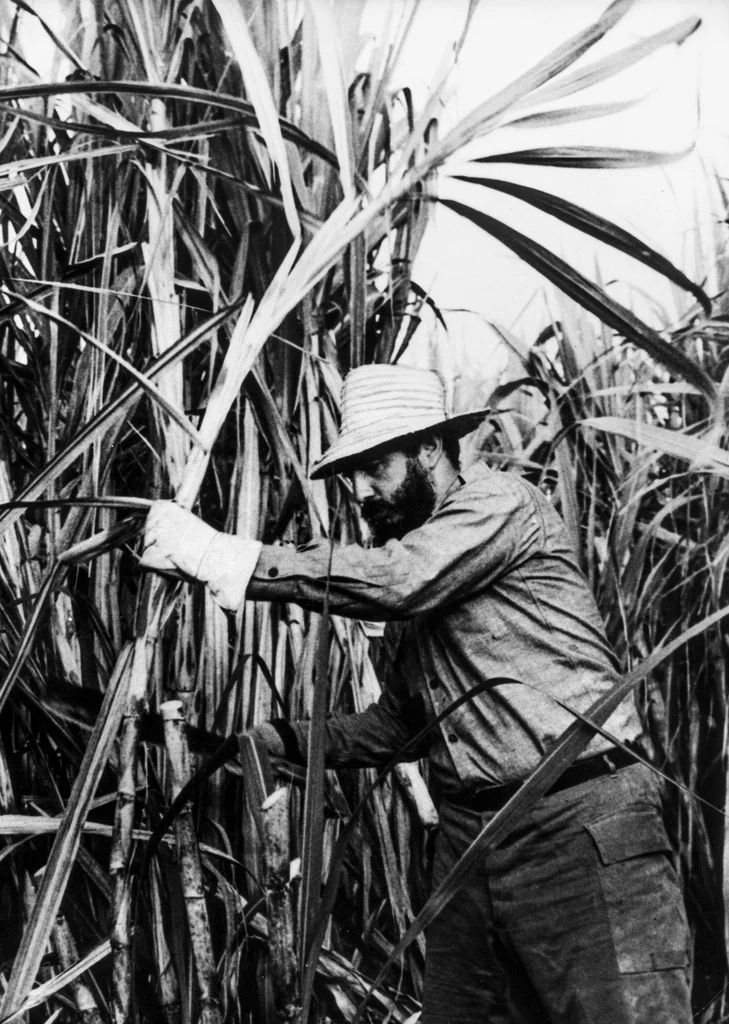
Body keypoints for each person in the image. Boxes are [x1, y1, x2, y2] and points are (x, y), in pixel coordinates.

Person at [141, 364, 691, 1024]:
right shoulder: (422, 569)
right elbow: (401, 727)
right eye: (350, 476)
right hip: (472, 843)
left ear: (429, 448)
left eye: (375, 466)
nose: (360, 491)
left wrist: (226, 557)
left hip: (576, 817)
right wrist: (284, 740)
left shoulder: (497, 508)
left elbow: (401, 581)